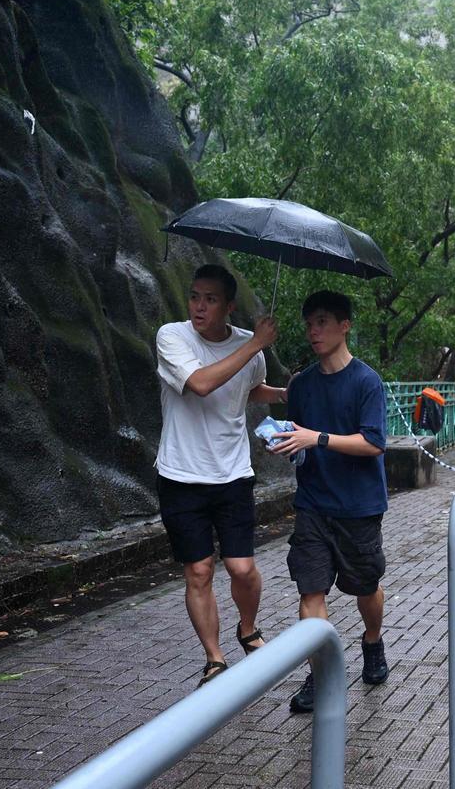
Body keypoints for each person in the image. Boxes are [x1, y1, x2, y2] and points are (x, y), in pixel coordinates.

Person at [155, 264, 287, 687]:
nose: (199, 306)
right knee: (198, 571)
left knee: (242, 568)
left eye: (211, 299)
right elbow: (201, 383)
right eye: (195, 296)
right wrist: (256, 346)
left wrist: (287, 393)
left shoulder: (249, 347)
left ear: (228, 306)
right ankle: (214, 658)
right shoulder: (172, 337)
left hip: (232, 474)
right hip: (180, 475)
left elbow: (249, 389)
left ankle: (247, 628)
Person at [271, 290, 389, 713]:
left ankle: (372, 642)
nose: (313, 331)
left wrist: (315, 438)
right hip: (313, 505)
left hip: (358, 506)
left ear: (344, 326)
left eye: (322, 321)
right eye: (308, 324)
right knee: (310, 591)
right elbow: (294, 425)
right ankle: (320, 675)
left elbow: (374, 443)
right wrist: (285, 439)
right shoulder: (302, 383)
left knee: (366, 587)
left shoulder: (366, 381)